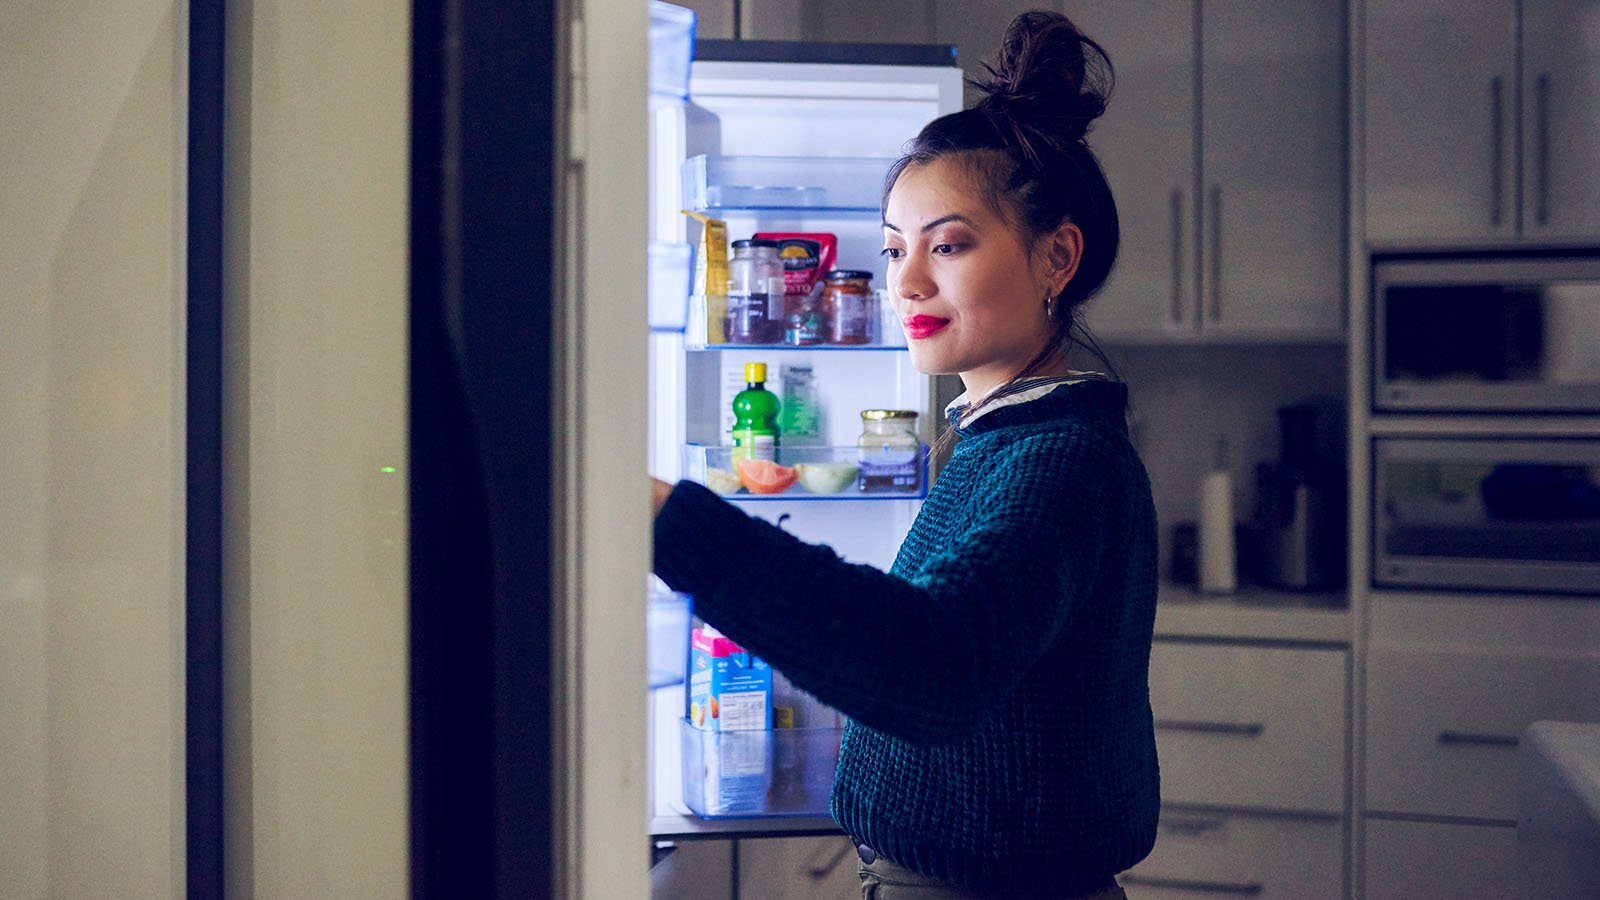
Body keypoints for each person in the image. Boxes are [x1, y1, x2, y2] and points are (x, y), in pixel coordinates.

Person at [650, 10, 1158, 899]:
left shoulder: (1064, 460)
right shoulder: (997, 436)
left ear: (1057, 257)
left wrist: (673, 524)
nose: (906, 282)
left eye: (949, 244)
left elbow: (937, 668)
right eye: (894, 248)